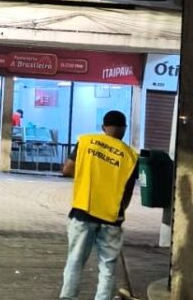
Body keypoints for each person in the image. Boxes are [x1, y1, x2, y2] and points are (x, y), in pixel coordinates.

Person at [59, 110, 139, 300]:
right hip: (112, 217)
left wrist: (88, 174)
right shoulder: (130, 156)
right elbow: (127, 193)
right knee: (108, 266)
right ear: (124, 129)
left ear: (104, 127)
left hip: (83, 211)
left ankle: (68, 297)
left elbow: (67, 169)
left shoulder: (86, 142)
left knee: (75, 260)